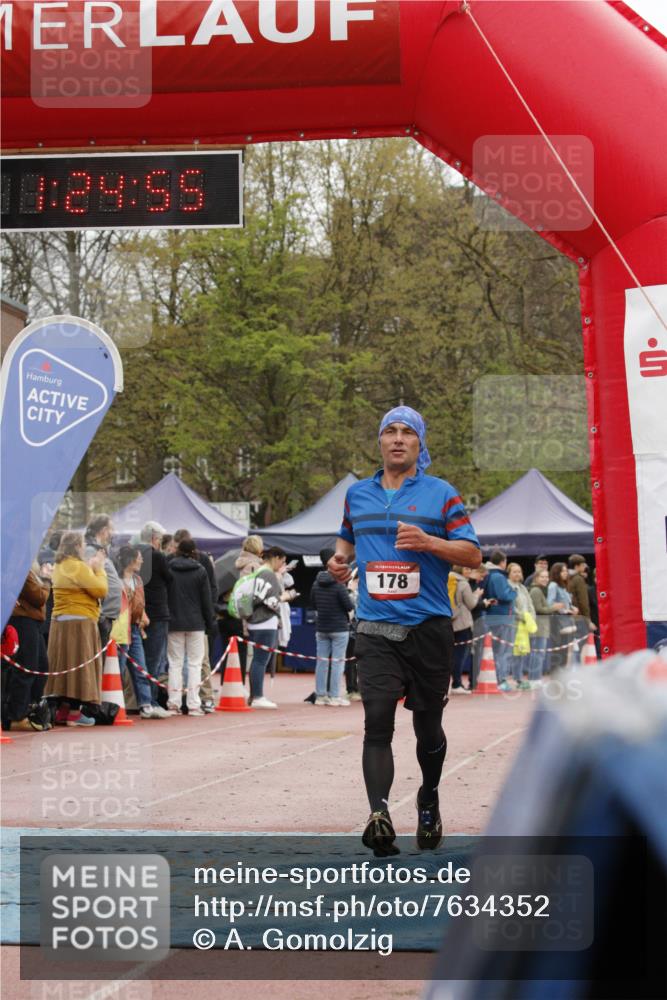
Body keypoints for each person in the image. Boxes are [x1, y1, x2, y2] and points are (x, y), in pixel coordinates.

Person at [328, 405, 481, 856]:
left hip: (429, 628)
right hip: (375, 628)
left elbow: (472, 554)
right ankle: (379, 814)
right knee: (377, 721)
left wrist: (430, 542)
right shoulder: (358, 494)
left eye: (406, 433)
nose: (397, 439)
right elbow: (346, 540)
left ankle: (428, 798)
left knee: (427, 727)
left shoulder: (441, 494)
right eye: (389, 432)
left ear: (419, 444)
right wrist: (340, 563)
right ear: (380, 441)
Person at [44, 532, 108, 726]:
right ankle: (74, 713)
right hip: (81, 622)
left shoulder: (60, 566)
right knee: (80, 667)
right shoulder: (78, 567)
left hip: (59, 621)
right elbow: (101, 590)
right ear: (77, 547)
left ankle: (63, 711)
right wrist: (99, 569)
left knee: (63, 667)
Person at [115, 545, 169, 719]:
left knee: (141, 668)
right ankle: (115, 704)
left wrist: (143, 616)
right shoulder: (116, 580)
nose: (142, 560)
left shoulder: (138, 580)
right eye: (139, 557)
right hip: (120, 630)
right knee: (119, 667)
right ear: (130, 560)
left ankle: (145, 704)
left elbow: (140, 602)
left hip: (135, 628)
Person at [166, 538, 215, 716]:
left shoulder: (169, 568)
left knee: (175, 664)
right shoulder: (201, 570)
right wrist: (210, 623)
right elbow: (206, 601)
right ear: (194, 551)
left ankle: (174, 704)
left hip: (174, 622)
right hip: (196, 623)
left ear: (177, 550)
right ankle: (194, 704)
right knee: (195, 664)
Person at [1, 568, 50, 732]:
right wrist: (47, 583)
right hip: (23, 621)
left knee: (41, 667)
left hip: (31, 622)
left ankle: (31, 710)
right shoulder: (20, 570)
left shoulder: (25, 569)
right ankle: (16, 716)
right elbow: (39, 597)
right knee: (26, 668)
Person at [245, 547, 291, 709]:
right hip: (265, 621)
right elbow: (270, 602)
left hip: (255, 620)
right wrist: (285, 597)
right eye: (283, 561)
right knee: (260, 660)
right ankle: (257, 696)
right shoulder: (268, 574)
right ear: (276, 558)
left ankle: (254, 695)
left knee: (257, 659)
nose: (282, 565)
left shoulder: (258, 572)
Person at [310, 547, 355, 706]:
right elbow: (349, 606)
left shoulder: (316, 583)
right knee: (337, 662)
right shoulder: (338, 584)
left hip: (322, 627)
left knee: (321, 662)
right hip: (339, 628)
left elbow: (313, 604)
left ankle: (321, 695)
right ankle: (335, 695)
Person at [137, 521, 173, 713]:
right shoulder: (157, 556)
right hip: (157, 612)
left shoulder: (133, 554)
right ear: (154, 539)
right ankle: (150, 701)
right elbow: (170, 578)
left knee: (138, 659)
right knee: (155, 659)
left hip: (138, 611)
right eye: (159, 539)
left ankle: (141, 700)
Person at [84, 514, 122, 654]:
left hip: (106, 615)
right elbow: (88, 582)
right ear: (104, 530)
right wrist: (100, 616)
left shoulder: (99, 550)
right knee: (98, 659)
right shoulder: (90, 550)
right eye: (111, 529)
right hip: (102, 616)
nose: (113, 533)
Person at [483, 550, 517, 689]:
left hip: (495, 617)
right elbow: (504, 595)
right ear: (503, 562)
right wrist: (514, 591)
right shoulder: (498, 576)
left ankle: (499, 679)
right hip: (502, 618)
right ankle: (501, 680)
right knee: (502, 651)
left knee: (499, 651)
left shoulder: (490, 574)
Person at [529, 567, 563, 682]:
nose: (545, 579)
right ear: (536, 578)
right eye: (542, 577)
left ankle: (536, 678)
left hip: (542, 626)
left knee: (539, 654)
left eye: (546, 577)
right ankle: (535, 679)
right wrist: (553, 607)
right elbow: (538, 609)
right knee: (538, 654)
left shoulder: (539, 590)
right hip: (539, 626)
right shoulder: (536, 591)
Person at [506, 563, 537, 691]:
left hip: (525, 625)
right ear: (509, 573)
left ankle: (519, 679)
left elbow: (530, 604)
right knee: (510, 653)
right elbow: (511, 607)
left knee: (521, 653)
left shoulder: (523, 588)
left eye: (519, 571)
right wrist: (523, 617)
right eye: (514, 572)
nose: (517, 574)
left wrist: (531, 618)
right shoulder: (507, 587)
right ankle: (505, 679)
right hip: (513, 624)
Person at [449, 565, 479, 693]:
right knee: (460, 656)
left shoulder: (447, 580)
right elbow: (471, 604)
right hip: (462, 623)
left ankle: (450, 684)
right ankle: (457, 684)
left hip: (448, 622)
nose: (469, 571)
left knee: (449, 656)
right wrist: (476, 595)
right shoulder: (463, 584)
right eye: (467, 569)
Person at [547, 562, 578, 669]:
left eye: (566, 571)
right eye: (563, 571)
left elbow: (566, 603)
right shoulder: (553, 585)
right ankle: (556, 673)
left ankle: (562, 672)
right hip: (557, 621)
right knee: (559, 649)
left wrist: (572, 608)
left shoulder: (563, 586)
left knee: (565, 649)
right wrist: (563, 608)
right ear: (557, 572)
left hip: (567, 620)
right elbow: (550, 603)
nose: (565, 573)